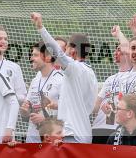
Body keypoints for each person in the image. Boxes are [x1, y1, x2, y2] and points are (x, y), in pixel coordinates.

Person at [31, 13, 98, 143]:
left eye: (66, 48)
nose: (64, 52)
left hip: (71, 135)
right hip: (83, 134)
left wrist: (40, 27)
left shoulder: (74, 68)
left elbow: (57, 53)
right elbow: (81, 105)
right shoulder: (90, 74)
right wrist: (58, 105)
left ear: (72, 50)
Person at [91, 37, 131, 144]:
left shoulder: (133, 77)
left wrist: (114, 110)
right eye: (115, 50)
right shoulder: (110, 79)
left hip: (117, 129)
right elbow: (96, 105)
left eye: (119, 50)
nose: (114, 53)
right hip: (98, 128)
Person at [22, 42, 64, 143]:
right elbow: (28, 111)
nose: (31, 58)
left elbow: (69, 111)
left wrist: (46, 119)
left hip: (51, 141)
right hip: (32, 139)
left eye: (35, 55)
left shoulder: (62, 80)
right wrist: (25, 111)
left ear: (48, 58)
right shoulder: (35, 80)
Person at [0, 25, 28, 105]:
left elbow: (22, 96)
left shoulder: (15, 67)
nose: (3, 41)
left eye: (5, 39)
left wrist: (8, 96)